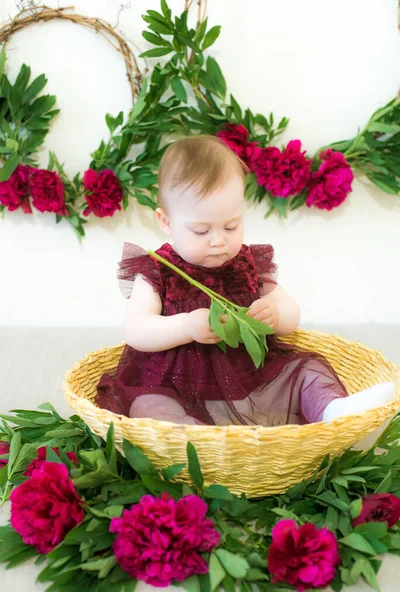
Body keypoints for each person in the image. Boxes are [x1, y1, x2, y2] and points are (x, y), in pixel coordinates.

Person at [96, 135, 394, 426]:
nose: (218, 241)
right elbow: (135, 329)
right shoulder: (158, 269)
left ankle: (332, 410)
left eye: (231, 226)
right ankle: (195, 441)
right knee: (148, 406)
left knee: (307, 370)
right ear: (166, 222)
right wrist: (186, 326)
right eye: (201, 231)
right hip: (174, 387)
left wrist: (275, 314)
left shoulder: (247, 264)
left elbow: (291, 312)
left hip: (251, 384)